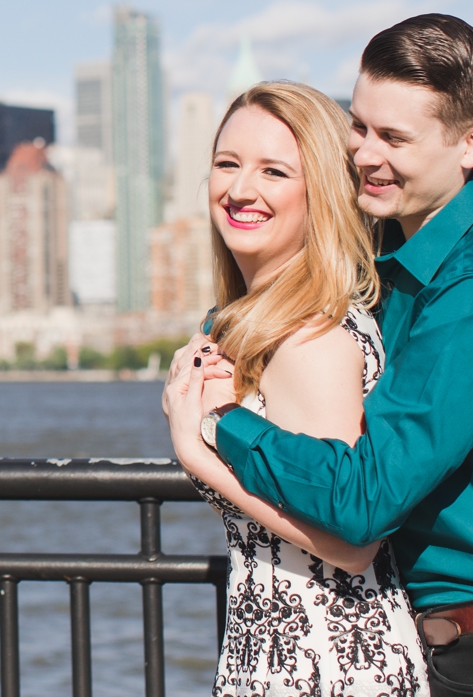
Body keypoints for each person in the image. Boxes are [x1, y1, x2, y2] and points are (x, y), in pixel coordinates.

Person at [165, 15, 473, 697]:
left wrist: (218, 425)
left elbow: (365, 504)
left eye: (394, 138)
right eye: (361, 126)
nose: (366, 154)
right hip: (457, 641)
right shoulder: (399, 240)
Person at [165, 80, 428, 695]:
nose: (239, 189)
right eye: (226, 164)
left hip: (328, 660)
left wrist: (197, 454)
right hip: (277, 651)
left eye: (274, 171)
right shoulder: (262, 323)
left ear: (323, 194)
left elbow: (353, 543)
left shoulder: (308, 337)